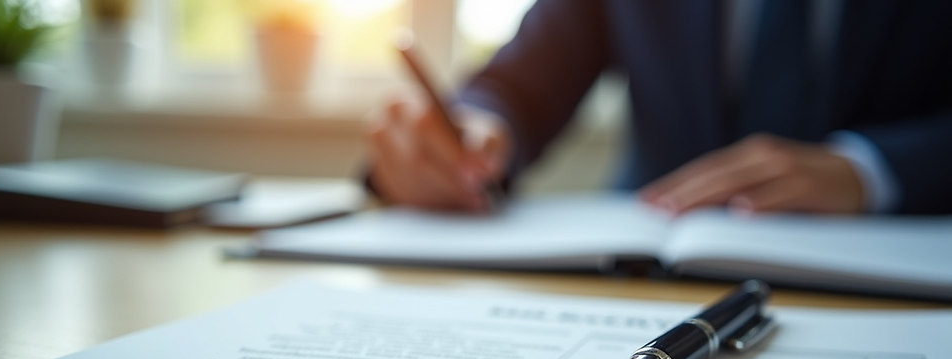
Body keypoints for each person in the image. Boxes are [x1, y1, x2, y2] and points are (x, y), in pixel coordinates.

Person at [366, 0, 952, 215]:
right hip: (645, 272)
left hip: (894, 276)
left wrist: (872, 169)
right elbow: (515, 87)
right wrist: (470, 131)